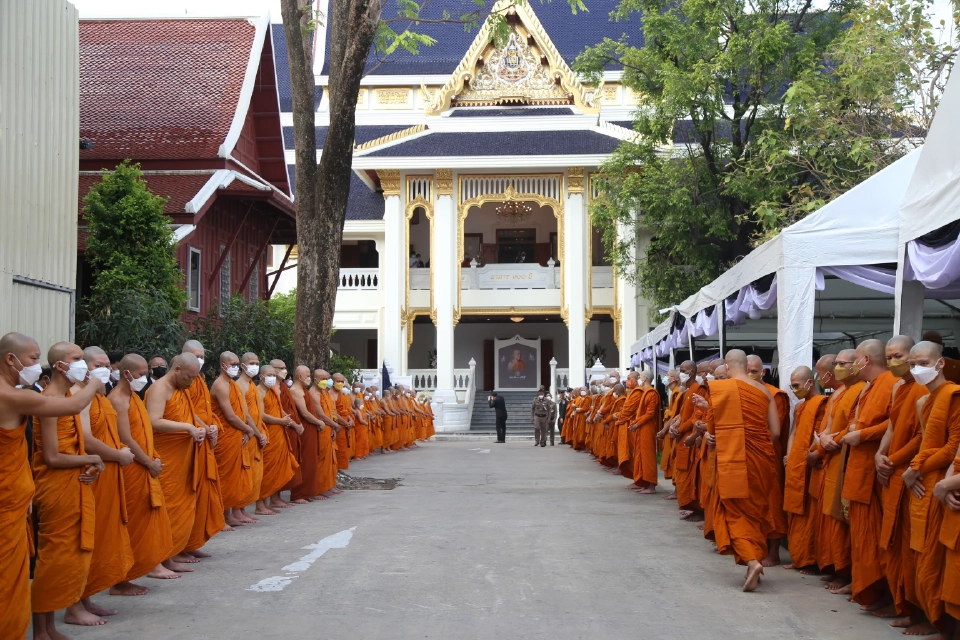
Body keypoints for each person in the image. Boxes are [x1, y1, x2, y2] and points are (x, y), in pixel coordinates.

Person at [0, 332, 105, 640]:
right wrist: (96, 384)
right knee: (14, 575)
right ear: (10, 359)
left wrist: (24, 490)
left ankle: (44, 628)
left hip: (17, 495)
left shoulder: (19, 390)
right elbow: (53, 451)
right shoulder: (13, 395)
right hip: (15, 496)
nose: (37, 365)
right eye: (33, 359)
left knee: (19, 572)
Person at [691, 349, 784, 592]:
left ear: (728, 366)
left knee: (734, 513)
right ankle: (752, 562)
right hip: (761, 461)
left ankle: (753, 562)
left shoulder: (722, 390)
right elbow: (775, 433)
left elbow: (712, 429)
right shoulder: (765, 391)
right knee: (756, 512)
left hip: (732, 460)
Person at [31, 342, 105, 637]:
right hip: (55, 489)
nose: (84, 365)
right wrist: (91, 457)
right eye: (77, 359)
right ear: (60, 365)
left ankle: (51, 626)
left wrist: (88, 464)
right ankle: (40, 630)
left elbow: (71, 446)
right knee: (53, 559)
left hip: (73, 483)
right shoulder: (49, 399)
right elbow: (51, 457)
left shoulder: (65, 395)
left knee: (69, 557)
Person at [70, 347, 136, 624]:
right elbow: (85, 438)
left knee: (96, 539)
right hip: (84, 475)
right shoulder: (76, 395)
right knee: (80, 541)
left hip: (102, 471)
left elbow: (108, 433)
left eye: (108, 365)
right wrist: (118, 454)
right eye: (99, 364)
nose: (105, 370)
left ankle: (86, 597)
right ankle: (74, 606)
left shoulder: (97, 396)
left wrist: (118, 451)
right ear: (84, 365)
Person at [903, 340, 960, 636]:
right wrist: (915, 471)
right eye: (913, 364)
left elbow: (953, 447)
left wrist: (915, 470)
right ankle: (923, 613)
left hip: (937, 481)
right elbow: (926, 442)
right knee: (917, 554)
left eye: (923, 363)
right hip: (923, 484)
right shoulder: (923, 401)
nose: (916, 369)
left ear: (939, 364)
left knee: (932, 557)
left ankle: (939, 622)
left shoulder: (953, 395)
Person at [875, 335, 930, 631]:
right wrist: (880, 455)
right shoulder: (898, 387)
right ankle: (900, 602)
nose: (895, 361)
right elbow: (893, 425)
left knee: (910, 546)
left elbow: (923, 435)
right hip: (892, 469)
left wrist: (893, 460)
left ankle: (921, 612)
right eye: (890, 356)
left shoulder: (926, 388)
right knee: (891, 543)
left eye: (900, 355)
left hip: (912, 472)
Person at [109, 353, 177, 589]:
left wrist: (152, 458)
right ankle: (123, 579)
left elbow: (143, 431)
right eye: (141, 374)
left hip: (144, 463)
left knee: (150, 517)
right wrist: (148, 462)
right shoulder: (118, 399)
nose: (145, 378)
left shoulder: (134, 397)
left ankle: (151, 564)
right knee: (134, 521)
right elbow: (125, 437)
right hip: (132, 467)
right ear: (126, 374)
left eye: (146, 373)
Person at [838, 339, 896, 611]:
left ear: (864, 360)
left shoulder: (890, 383)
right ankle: (865, 586)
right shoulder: (870, 388)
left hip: (873, 470)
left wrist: (863, 434)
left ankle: (880, 593)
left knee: (873, 536)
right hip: (858, 467)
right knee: (861, 535)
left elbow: (894, 422)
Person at [145, 353, 209, 574]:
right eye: (189, 377)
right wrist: (187, 428)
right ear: (177, 369)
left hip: (182, 459)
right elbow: (153, 421)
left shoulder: (182, 389)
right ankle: (154, 563)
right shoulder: (159, 389)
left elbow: (190, 415)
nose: (191, 382)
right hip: (165, 460)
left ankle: (169, 555)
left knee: (179, 509)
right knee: (163, 511)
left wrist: (201, 426)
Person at [816, 349, 865, 594]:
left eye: (841, 363)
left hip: (845, 458)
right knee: (833, 518)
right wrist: (822, 440)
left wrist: (828, 441)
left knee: (843, 521)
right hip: (832, 458)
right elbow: (831, 425)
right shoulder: (840, 393)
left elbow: (855, 426)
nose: (837, 368)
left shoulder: (862, 390)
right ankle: (838, 568)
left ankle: (847, 573)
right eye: (835, 364)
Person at [782, 365, 828, 574]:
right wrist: (790, 455)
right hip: (796, 464)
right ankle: (798, 556)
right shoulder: (799, 407)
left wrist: (813, 454)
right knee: (794, 512)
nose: (793, 390)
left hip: (810, 465)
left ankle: (810, 559)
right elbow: (794, 432)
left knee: (809, 514)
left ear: (810, 382)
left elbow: (819, 434)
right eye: (791, 386)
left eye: (796, 385)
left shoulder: (822, 404)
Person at [179, 340, 224, 557]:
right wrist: (205, 427)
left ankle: (192, 543)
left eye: (202, 356)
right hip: (191, 440)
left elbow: (204, 409)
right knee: (188, 496)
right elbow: (188, 411)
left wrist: (212, 426)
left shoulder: (201, 379)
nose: (200, 360)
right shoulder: (182, 382)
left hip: (203, 437)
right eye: (195, 356)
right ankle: (180, 547)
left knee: (202, 495)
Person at [211, 351, 259, 528]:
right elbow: (230, 416)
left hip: (237, 435)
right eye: (232, 364)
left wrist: (247, 430)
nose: (236, 368)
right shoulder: (220, 385)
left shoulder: (232, 385)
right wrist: (248, 429)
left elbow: (243, 413)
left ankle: (230, 514)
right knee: (224, 477)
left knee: (235, 477)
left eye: (237, 364)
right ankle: (220, 517)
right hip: (226, 436)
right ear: (223, 365)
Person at [257, 364, 299, 511]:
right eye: (270, 375)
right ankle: (260, 505)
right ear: (261, 377)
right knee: (266, 470)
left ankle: (271, 501)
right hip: (269, 433)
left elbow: (278, 408)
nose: (272, 378)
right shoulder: (259, 392)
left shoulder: (272, 390)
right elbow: (261, 415)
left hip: (278, 432)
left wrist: (285, 417)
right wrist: (280, 421)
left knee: (276, 469)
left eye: (274, 375)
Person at [237, 353, 267, 516]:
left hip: (256, 432)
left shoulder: (252, 385)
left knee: (254, 474)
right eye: (252, 363)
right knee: (245, 473)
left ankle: (243, 509)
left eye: (257, 363)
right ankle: (238, 510)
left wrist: (262, 431)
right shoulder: (239, 385)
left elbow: (258, 413)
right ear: (243, 366)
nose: (255, 365)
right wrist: (256, 433)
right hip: (248, 433)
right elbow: (246, 414)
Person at [630, 370, 662, 494]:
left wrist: (637, 423)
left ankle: (651, 484)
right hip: (642, 427)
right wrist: (637, 422)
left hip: (647, 428)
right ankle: (644, 481)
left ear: (645, 379)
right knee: (641, 454)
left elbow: (650, 414)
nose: (639, 378)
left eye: (640, 377)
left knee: (648, 455)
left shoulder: (651, 393)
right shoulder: (645, 392)